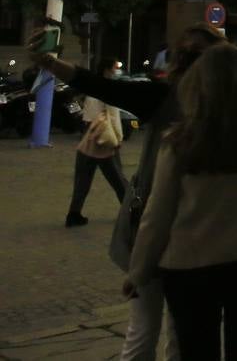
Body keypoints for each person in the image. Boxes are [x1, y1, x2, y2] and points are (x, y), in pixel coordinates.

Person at [32, 23, 224, 361]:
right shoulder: (164, 97)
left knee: (179, 334)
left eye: (199, 54)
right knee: (146, 328)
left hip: (200, 233)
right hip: (154, 223)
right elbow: (101, 86)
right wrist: (50, 63)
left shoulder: (231, 110)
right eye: (186, 53)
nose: (190, 60)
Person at [125, 43, 237, 360]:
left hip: (189, 264)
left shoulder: (180, 139)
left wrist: (139, 270)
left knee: (196, 348)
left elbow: (158, 214)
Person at [66, 57, 128, 227]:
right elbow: (113, 116)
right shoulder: (108, 88)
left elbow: (87, 114)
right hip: (104, 136)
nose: (116, 71)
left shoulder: (93, 86)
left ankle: (74, 213)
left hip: (89, 135)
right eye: (115, 67)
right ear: (107, 69)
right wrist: (118, 138)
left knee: (83, 178)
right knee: (118, 178)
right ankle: (131, 211)